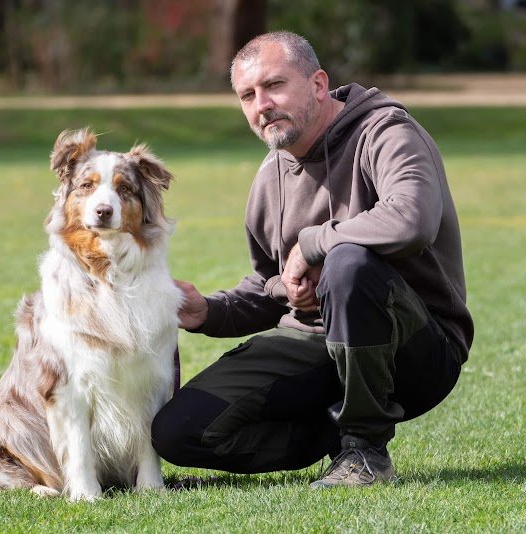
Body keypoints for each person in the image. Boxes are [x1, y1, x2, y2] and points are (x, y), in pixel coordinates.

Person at [151, 31, 474, 488]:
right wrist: (209, 310)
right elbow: (271, 286)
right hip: (318, 344)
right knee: (177, 432)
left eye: (275, 85)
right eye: (248, 95)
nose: (262, 104)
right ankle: (334, 436)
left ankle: (365, 453)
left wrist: (314, 243)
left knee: (348, 263)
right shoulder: (271, 176)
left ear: (318, 85)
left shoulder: (386, 133)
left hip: (418, 352)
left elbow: (412, 219)